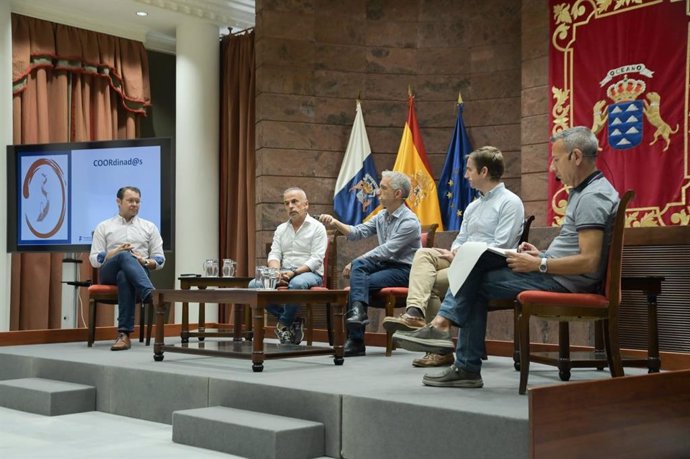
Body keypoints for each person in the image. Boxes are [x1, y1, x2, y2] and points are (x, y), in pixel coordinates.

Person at [394, 126, 619, 388]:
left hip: (566, 281)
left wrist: (540, 264)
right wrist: (542, 254)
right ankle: (448, 338)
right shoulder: (586, 192)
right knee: (474, 270)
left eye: (556, 159)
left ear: (576, 156)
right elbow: (575, 250)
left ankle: (452, 344)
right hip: (556, 272)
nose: (551, 167)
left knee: (473, 278)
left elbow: (589, 261)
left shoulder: (592, 197)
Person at [382, 146, 524, 368]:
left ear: (483, 171)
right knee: (424, 253)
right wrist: (456, 251)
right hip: (462, 260)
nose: (466, 175)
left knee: (427, 283)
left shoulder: (510, 202)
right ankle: (415, 313)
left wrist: (462, 253)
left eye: (469, 170)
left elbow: (502, 246)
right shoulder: (473, 205)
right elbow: (461, 238)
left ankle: (439, 349)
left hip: (487, 267)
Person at [320, 170, 421, 357]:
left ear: (398, 194)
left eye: (383, 188)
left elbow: (387, 250)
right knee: (360, 270)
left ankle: (356, 340)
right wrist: (335, 222)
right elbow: (357, 232)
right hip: (385, 266)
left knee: (359, 273)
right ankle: (358, 316)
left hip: (405, 270)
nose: (377, 192)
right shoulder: (382, 216)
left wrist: (357, 260)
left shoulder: (410, 221)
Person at [89, 186, 165, 351]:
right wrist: (115, 252)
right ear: (118, 202)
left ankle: (123, 335)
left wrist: (143, 260)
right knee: (124, 255)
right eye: (130, 200)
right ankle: (149, 293)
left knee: (125, 276)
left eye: (137, 201)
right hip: (109, 270)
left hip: (137, 270)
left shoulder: (149, 227)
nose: (134, 204)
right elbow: (95, 259)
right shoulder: (104, 226)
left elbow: (160, 260)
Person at [249, 187, 327, 345]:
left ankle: (284, 324)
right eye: (286, 203)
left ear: (306, 205)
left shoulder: (318, 228)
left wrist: (294, 273)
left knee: (296, 283)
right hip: (283, 273)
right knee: (254, 285)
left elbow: (316, 259)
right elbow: (274, 254)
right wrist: (275, 271)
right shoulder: (281, 229)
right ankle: (292, 321)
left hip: (310, 274)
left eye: (294, 202)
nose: (290, 206)